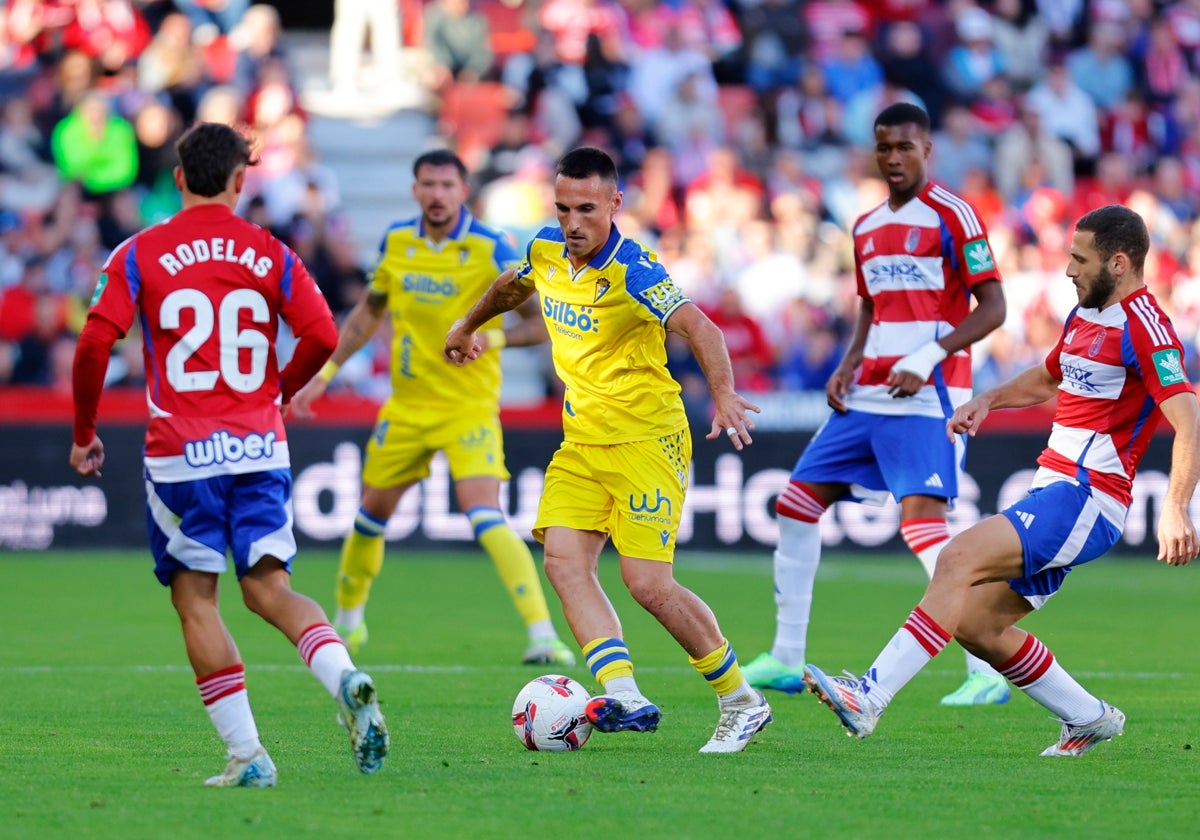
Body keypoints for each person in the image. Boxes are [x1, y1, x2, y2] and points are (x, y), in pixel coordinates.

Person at [803, 204, 1200, 756]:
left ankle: (869, 697)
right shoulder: (1086, 314)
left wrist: (1178, 507)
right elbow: (1045, 379)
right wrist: (987, 400)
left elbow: (1188, 416)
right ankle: (1088, 717)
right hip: (1055, 490)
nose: (1067, 271)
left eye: (1079, 260)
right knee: (974, 624)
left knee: (956, 559)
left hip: (1088, 497)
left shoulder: (1146, 327)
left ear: (1119, 261)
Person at [68, 122, 388, 787]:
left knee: (197, 601)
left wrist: (83, 431)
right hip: (259, 445)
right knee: (271, 589)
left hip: (183, 454)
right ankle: (344, 675)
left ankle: (249, 756)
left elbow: (95, 342)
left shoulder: (140, 251)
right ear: (242, 180)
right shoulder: (270, 251)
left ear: (180, 179)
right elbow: (323, 331)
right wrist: (278, 392)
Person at [444, 146, 772, 753]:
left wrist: (723, 393)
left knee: (647, 584)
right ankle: (622, 692)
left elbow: (702, 327)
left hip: (648, 438)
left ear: (615, 204)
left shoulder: (635, 270)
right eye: (564, 207)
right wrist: (468, 326)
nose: (573, 223)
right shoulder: (546, 248)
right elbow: (512, 286)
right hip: (582, 439)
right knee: (565, 562)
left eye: (587, 209)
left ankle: (742, 701)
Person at [742, 102, 1012, 707]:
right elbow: (871, 304)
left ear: (927, 150)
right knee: (794, 503)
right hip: (869, 391)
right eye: (884, 147)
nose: (893, 158)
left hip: (930, 396)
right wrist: (846, 363)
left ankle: (987, 667)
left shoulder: (954, 214)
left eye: (905, 148)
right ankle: (787, 657)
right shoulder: (863, 226)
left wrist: (930, 355)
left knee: (921, 525)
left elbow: (993, 308)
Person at [290, 149, 574, 667]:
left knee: (484, 513)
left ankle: (543, 634)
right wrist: (324, 377)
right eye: (428, 184)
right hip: (406, 406)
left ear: (463, 190)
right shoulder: (397, 241)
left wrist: (497, 342)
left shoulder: (492, 247)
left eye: (447, 184)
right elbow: (366, 317)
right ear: (415, 189)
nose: (438, 194)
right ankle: (348, 625)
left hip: (468, 406)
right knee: (369, 516)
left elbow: (542, 323)